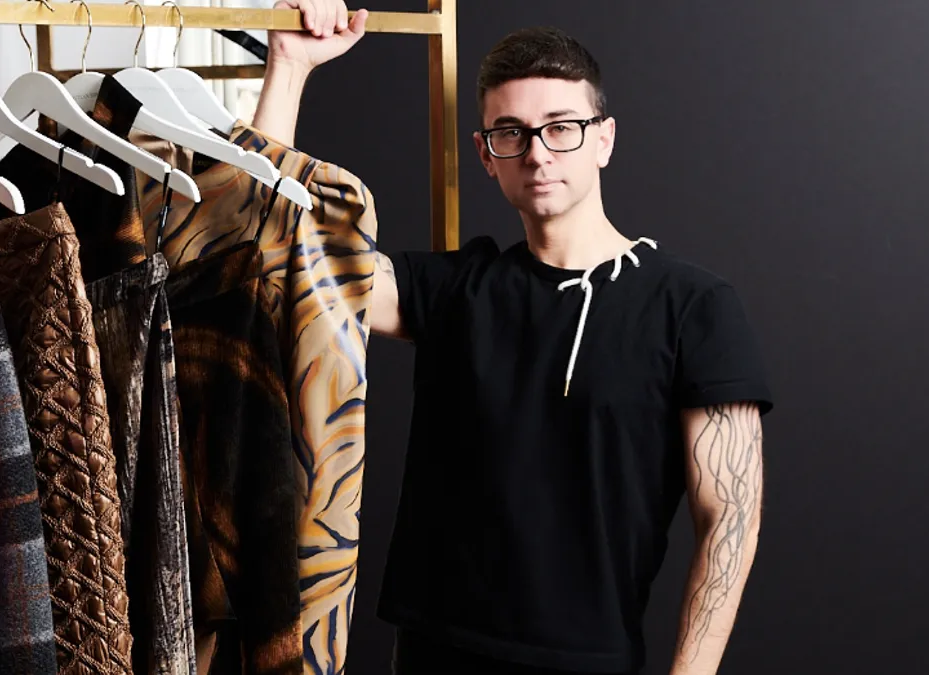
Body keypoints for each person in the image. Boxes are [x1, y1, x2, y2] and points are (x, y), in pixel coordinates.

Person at [257, 3, 774, 674]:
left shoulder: (694, 306)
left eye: (561, 128)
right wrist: (289, 67)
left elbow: (730, 519)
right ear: (486, 154)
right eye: (511, 132)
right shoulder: (456, 288)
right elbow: (278, 257)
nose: (536, 152)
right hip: (432, 651)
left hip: (587, 660)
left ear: (604, 140)